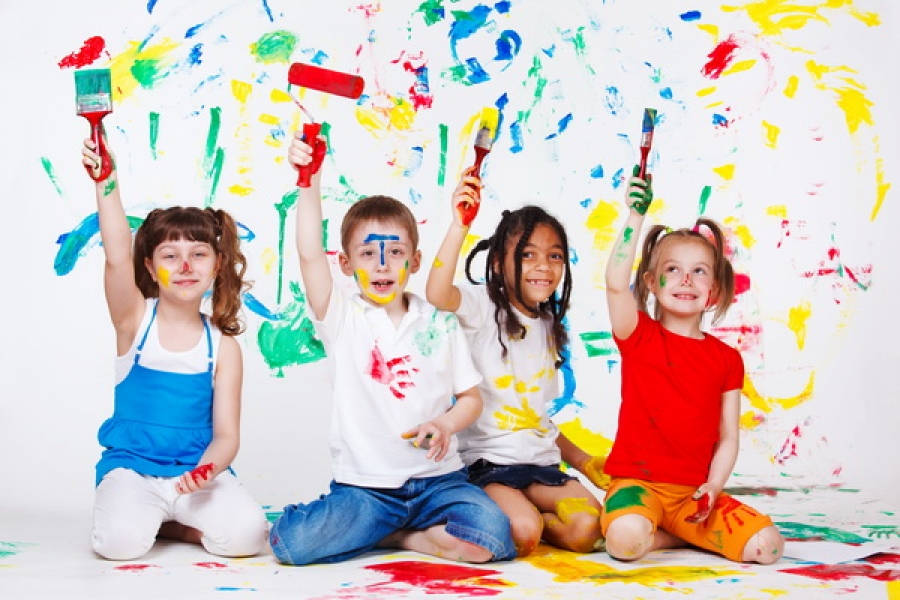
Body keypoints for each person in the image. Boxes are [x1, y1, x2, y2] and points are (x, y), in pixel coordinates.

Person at [268, 130, 516, 566]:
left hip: (439, 483)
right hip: (367, 489)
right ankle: (389, 528)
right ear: (346, 264)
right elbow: (308, 254)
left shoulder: (440, 322)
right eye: (368, 254)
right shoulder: (342, 317)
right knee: (292, 544)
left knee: (491, 537)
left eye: (396, 252)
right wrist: (308, 180)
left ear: (415, 262)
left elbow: (471, 399)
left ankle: (398, 536)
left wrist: (445, 423)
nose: (382, 264)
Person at [81, 136, 268, 561]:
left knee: (249, 538)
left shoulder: (223, 346)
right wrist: (106, 182)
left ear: (217, 265)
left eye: (198, 254)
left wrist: (206, 471)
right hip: (133, 471)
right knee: (119, 545)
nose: (185, 266)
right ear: (149, 266)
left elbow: (226, 435)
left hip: (194, 475)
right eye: (170, 256)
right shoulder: (133, 320)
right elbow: (116, 257)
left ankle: (176, 525)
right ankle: (153, 518)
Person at [601, 166, 785, 564]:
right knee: (624, 542)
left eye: (699, 271)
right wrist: (634, 215)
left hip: (693, 495)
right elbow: (615, 283)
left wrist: (714, 486)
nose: (686, 280)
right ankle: (664, 534)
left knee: (769, 546)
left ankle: (673, 534)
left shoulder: (727, 359)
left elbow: (729, 437)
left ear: (714, 289)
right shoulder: (638, 334)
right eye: (673, 270)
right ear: (650, 282)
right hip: (637, 488)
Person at [425, 166, 605, 557]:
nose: (543, 266)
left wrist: (585, 461)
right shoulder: (481, 305)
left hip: (541, 467)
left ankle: (534, 519)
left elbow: (537, 418)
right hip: (488, 468)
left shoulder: (548, 324)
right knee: (522, 531)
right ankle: (520, 518)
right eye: (528, 255)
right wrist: (459, 226)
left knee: (589, 528)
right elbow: (437, 293)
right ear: (497, 263)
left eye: (554, 256)